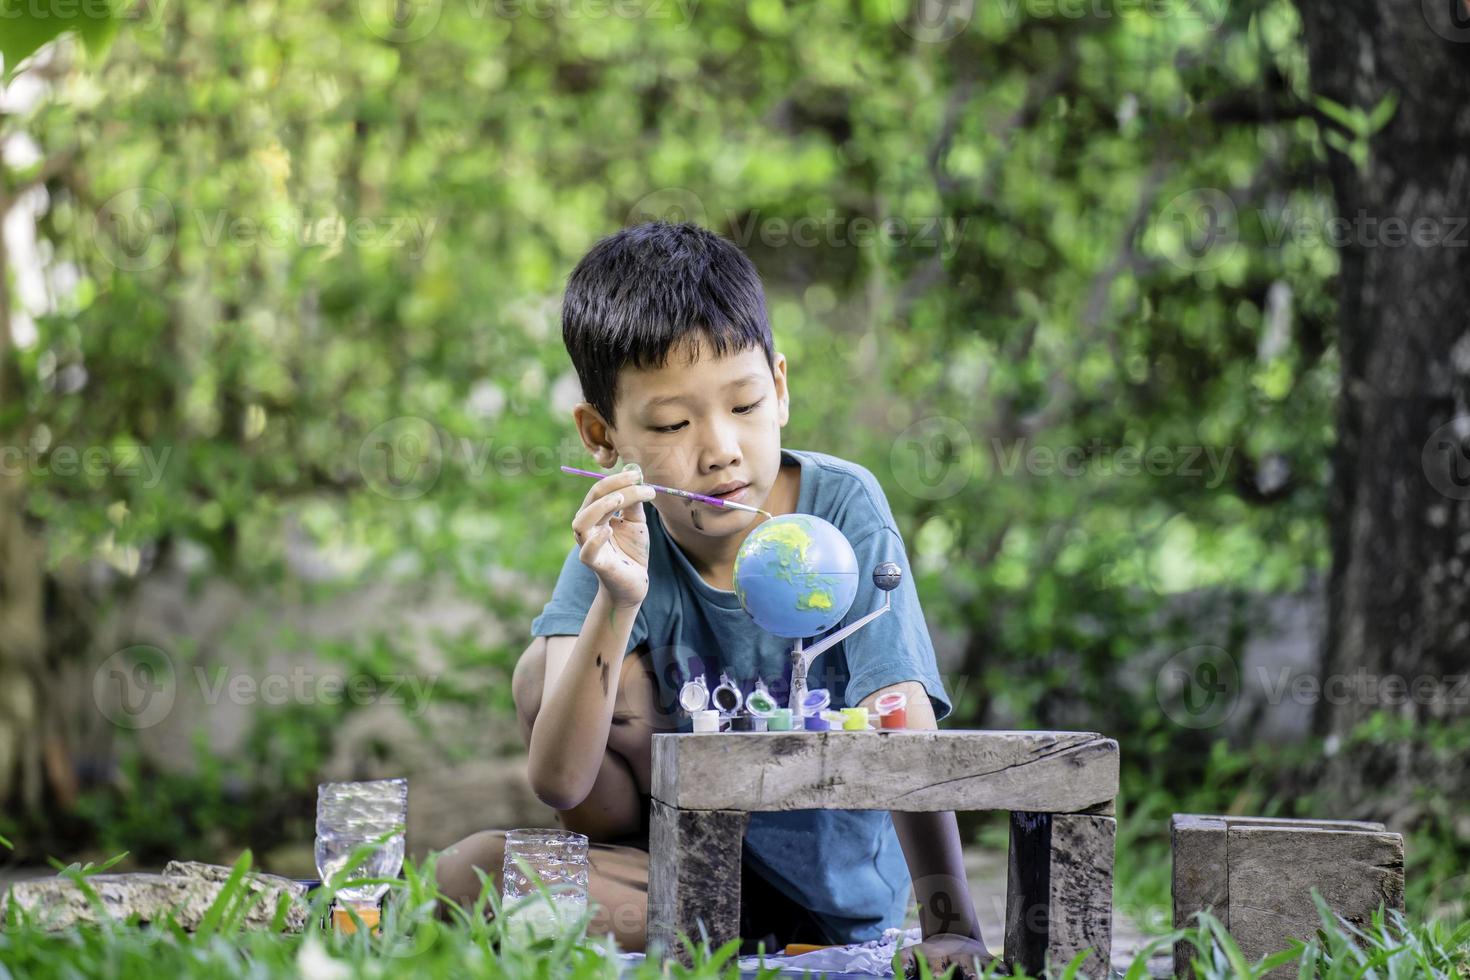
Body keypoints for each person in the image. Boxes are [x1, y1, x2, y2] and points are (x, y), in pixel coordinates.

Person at [434, 221, 995, 978]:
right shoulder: (626, 532)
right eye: (671, 423)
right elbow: (560, 782)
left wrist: (951, 922)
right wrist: (619, 599)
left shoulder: (841, 507)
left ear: (783, 388)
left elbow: (902, 713)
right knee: (474, 855)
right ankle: (699, 935)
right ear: (603, 436)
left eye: (744, 405)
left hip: (833, 897)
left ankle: (750, 945)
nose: (720, 448)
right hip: (683, 878)